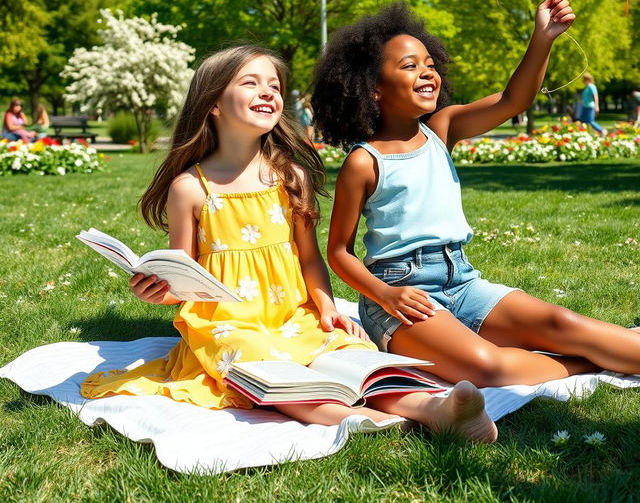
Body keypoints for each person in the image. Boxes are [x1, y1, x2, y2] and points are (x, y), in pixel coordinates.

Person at [80, 45, 497, 442]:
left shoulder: (290, 177)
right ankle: (370, 421)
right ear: (213, 103)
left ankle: (433, 409)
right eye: (250, 83)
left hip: (293, 312)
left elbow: (311, 258)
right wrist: (159, 291)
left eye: (274, 86)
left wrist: (328, 307)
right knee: (266, 367)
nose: (267, 91)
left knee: (348, 352)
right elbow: (183, 276)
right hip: (226, 323)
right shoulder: (190, 188)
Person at [311, 0, 640, 388]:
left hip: (463, 281)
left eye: (429, 64)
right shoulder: (364, 162)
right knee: (487, 368)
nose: (427, 73)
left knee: (563, 322)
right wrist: (386, 295)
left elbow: (513, 99)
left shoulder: (442, 128)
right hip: (399, 296)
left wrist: (543, 36)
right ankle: (593, 361)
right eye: (410, 66)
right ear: (373, 88)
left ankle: (610, 349)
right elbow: (339, 252)